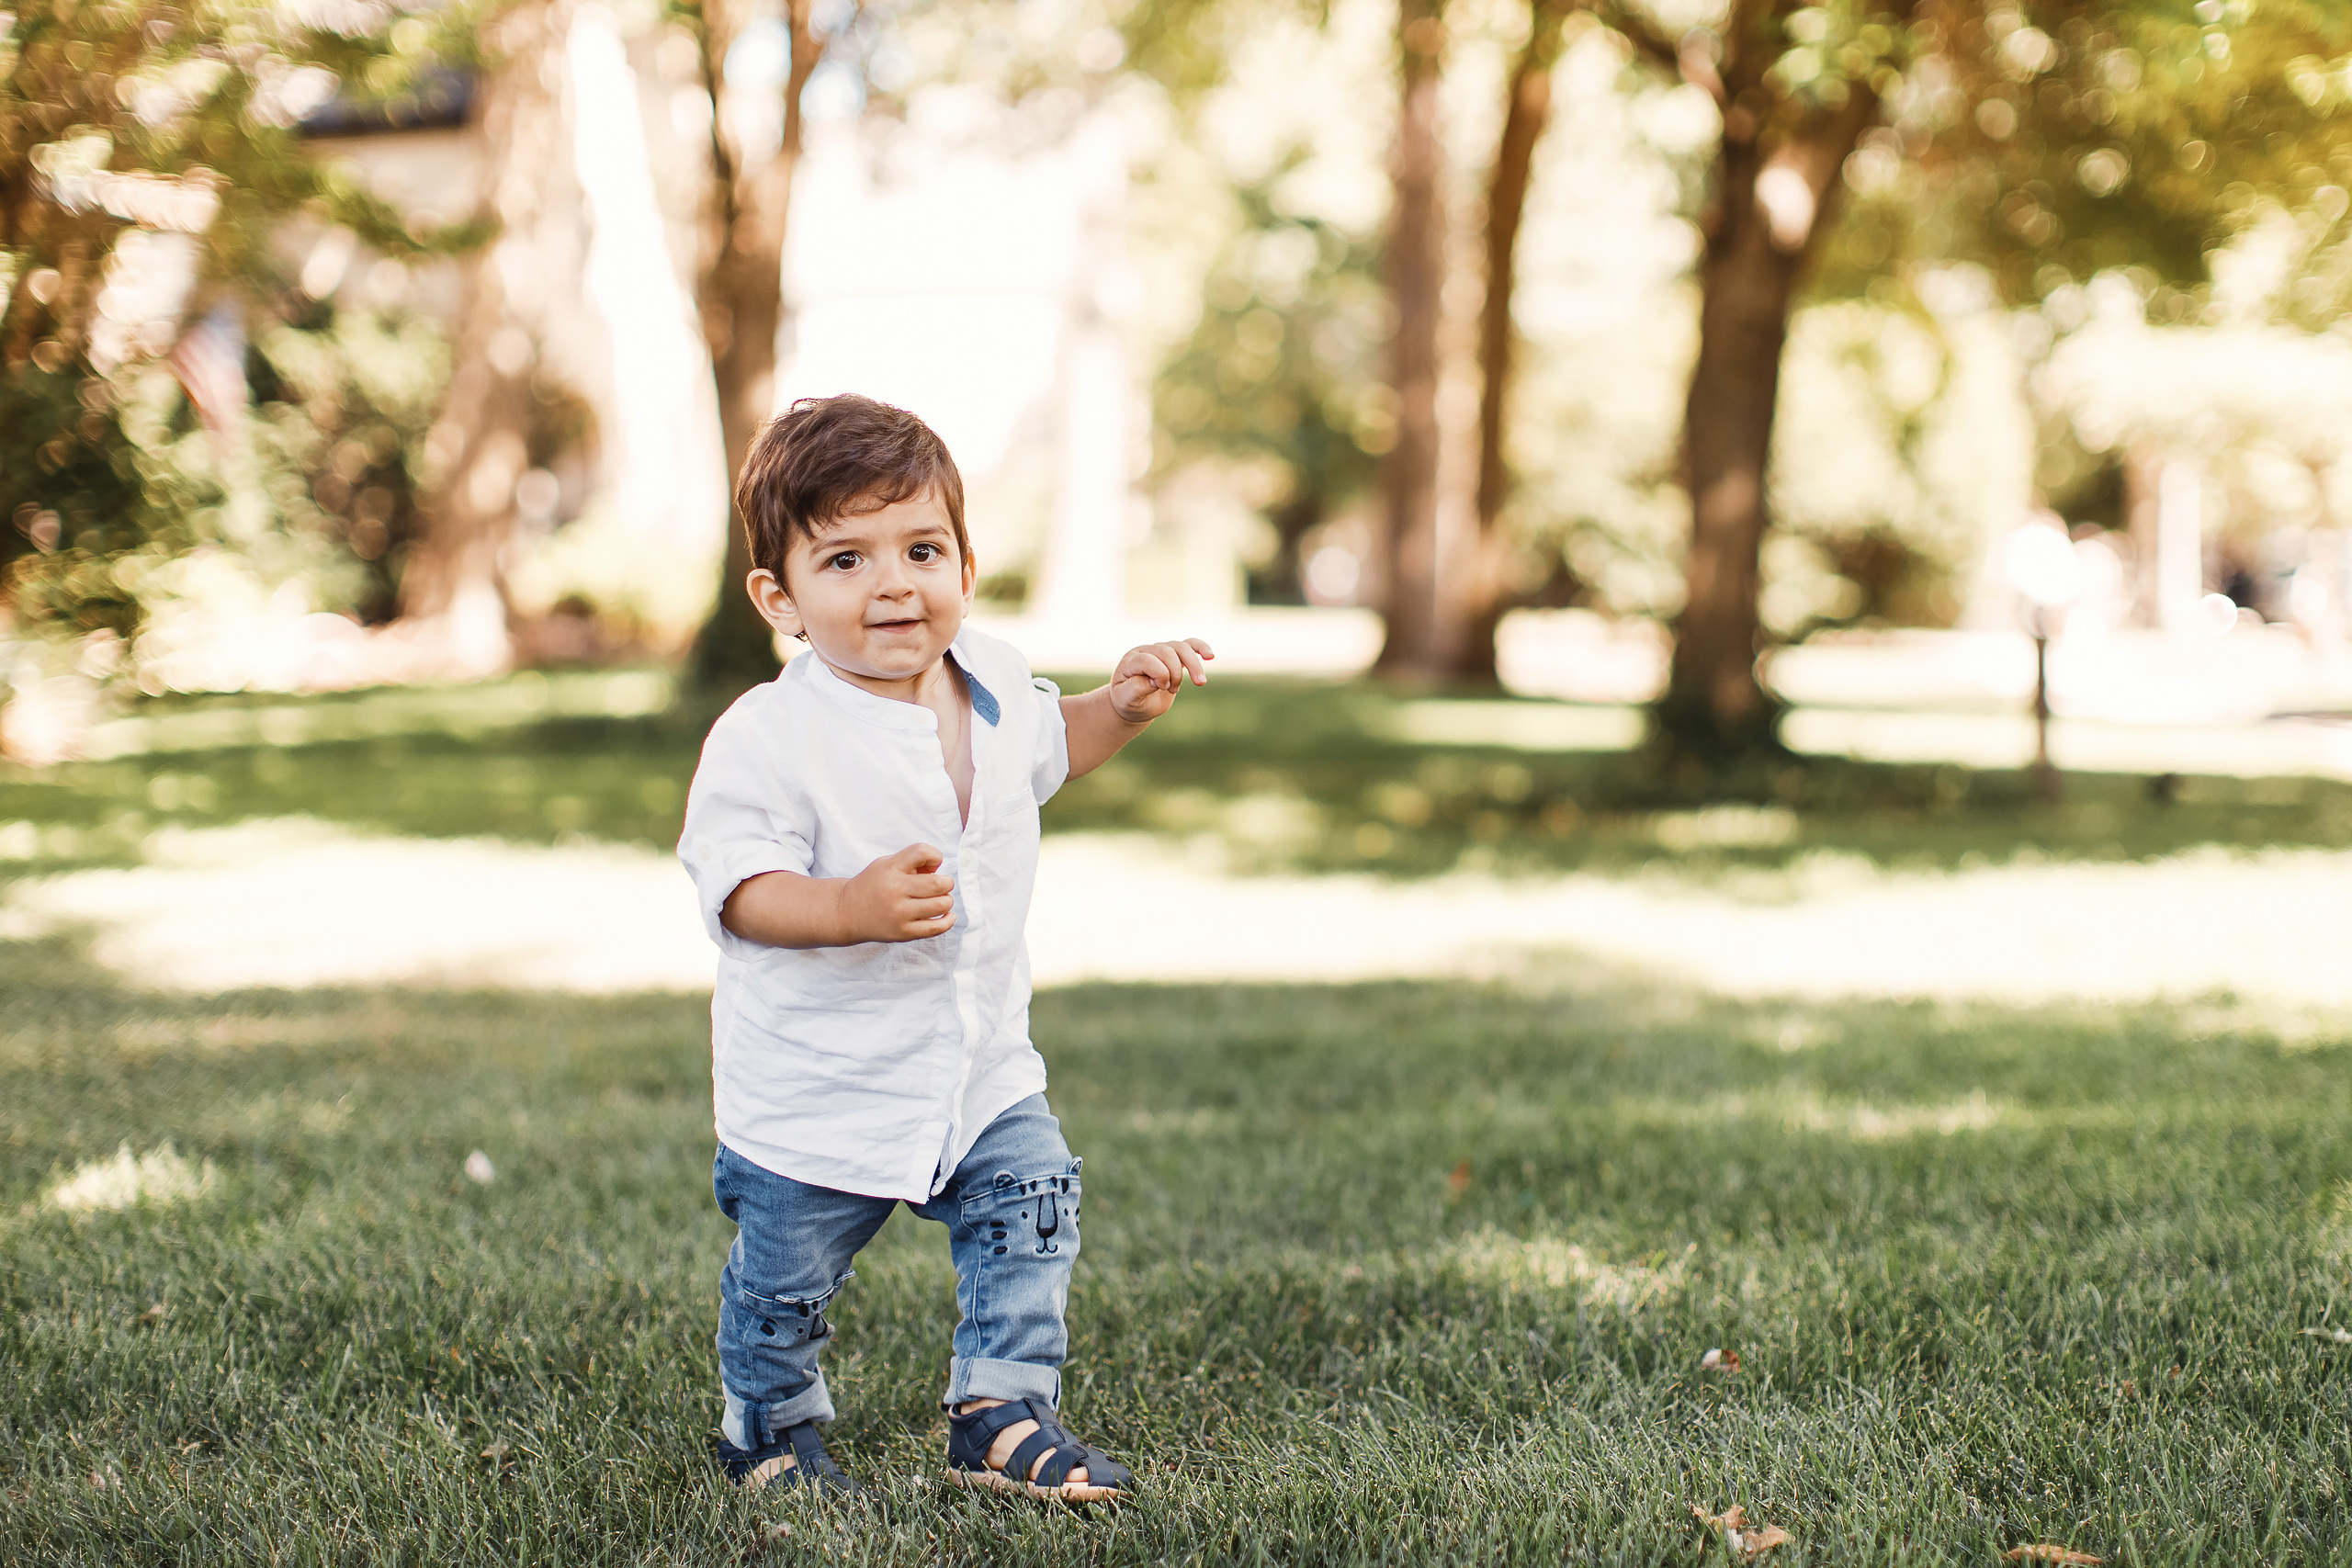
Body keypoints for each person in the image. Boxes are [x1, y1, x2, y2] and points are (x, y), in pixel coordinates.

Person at [677, 393, 1213, 1502]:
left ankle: (1000, 1411)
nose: (893, 584)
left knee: (1030, 1205)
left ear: (966, 565)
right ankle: (768, 1428)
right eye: (846, 560)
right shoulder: (770, 735)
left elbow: (1048, 749)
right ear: (779, 597)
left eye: (921, 550)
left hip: (978, 1064)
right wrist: (848, 906)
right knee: (786, 1284)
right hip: (821, 1085)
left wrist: (1119, 707)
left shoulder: (997, 678)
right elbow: (738, 890)